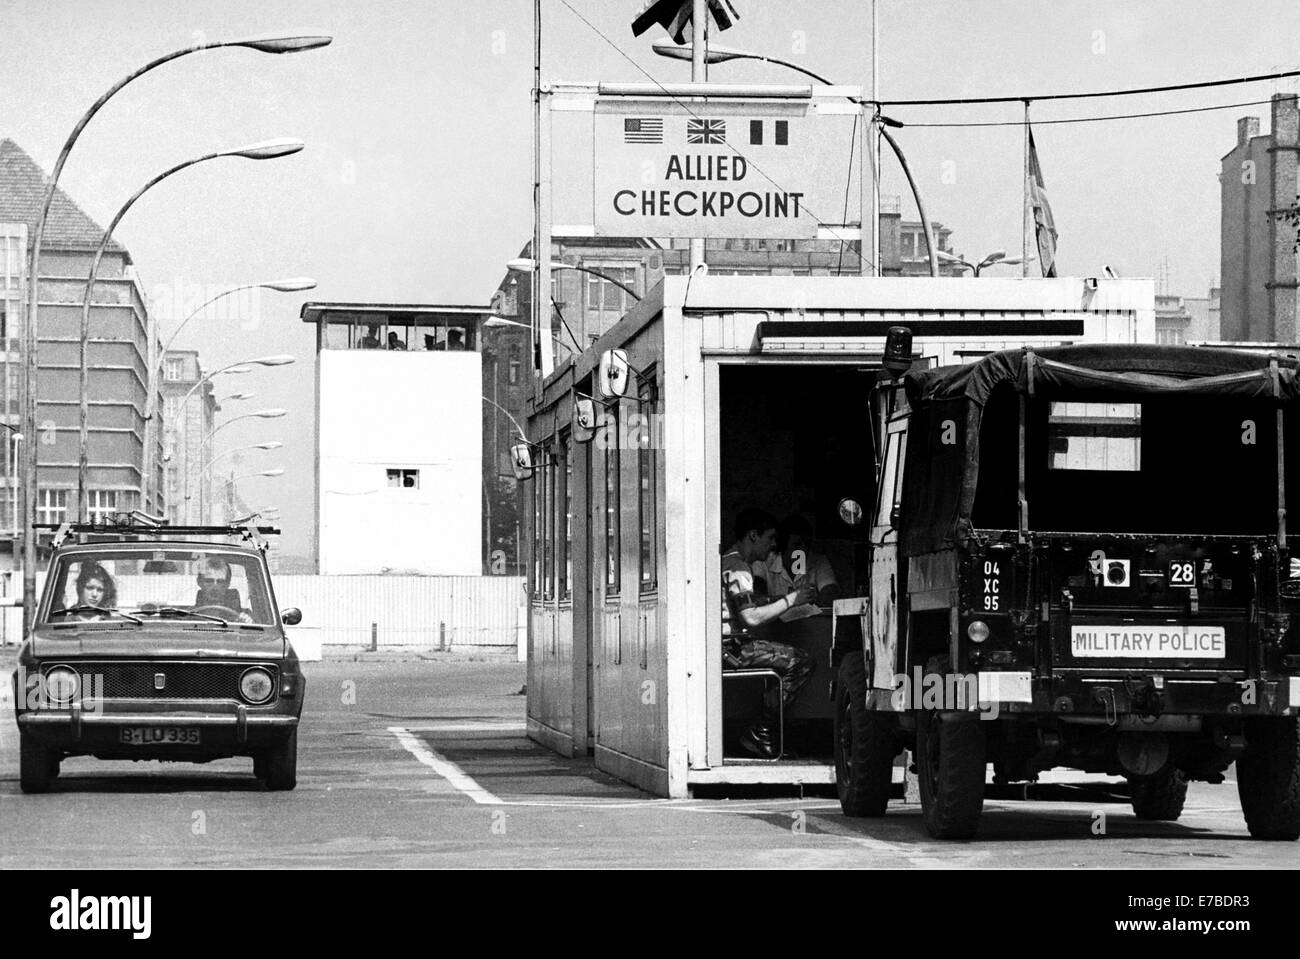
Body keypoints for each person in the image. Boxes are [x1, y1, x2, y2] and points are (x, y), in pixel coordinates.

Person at [722, 508, 816, 759]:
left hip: (728, 645)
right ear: (753, 536)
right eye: (770, 538)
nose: (774, 544)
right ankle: (761, 732)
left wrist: (783, 598)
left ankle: (764, 731)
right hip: (731, 649)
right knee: (802, 660)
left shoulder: (731, 561)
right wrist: (793, 600)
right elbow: (751, 616)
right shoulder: (739, 567)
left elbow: (752, 601)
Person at [753, 514, 840, 607]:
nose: (803, 549)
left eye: (807, 543)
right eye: (797, 544)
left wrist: (817, 598)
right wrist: (790, 599)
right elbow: (758, 598)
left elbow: (830, 594)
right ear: (783, 546)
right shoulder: (763, 562)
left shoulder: (819, 561)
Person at [194, 558, 252, 623]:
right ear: (199, 582)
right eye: (209, 581)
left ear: (228, 583)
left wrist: (246, 623)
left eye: (220, 581)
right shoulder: (188, 617)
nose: (214, 587)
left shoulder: (240, 618)